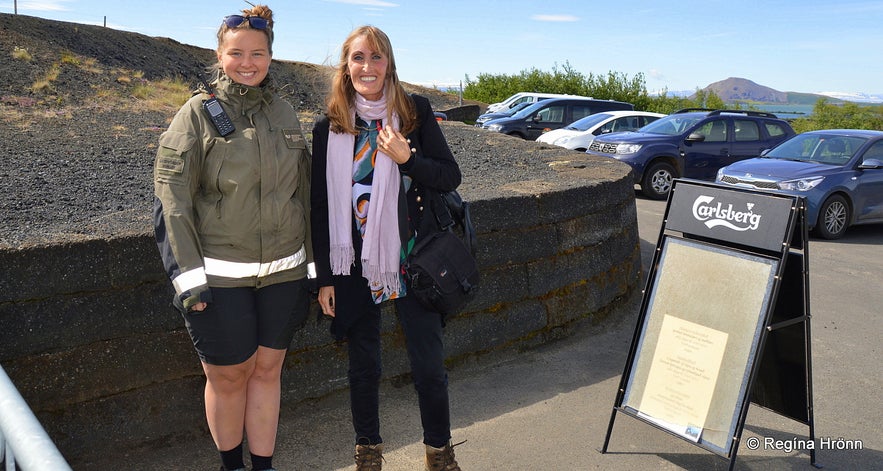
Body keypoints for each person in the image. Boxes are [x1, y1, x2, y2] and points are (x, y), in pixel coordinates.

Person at [152, 5, 312, 471]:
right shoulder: (196, 115)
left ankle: (262, 465)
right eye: (237, 52)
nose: (248, 62)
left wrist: (314, 270)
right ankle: (232, 466)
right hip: (219, 278)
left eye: (258, 53)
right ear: (220, 55)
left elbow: (304, 195)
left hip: (284, 272)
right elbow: (172, 202)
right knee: (229, 378)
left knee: (267, 372)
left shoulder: (283, 111)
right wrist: (188, 280)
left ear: (270, 57)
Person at [310, 25, 464, 471]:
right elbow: (319, 210)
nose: (367, 67)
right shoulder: (329, 128)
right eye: (359, 58)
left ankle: (440, 453)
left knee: (429, 367)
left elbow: (449, 177)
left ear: (389, 64)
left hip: (411, 258)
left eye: (376, 58)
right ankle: (368, 455)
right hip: (352, 263)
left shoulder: (414, 112)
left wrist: (408, 159)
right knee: (363, 368)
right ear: (346, 66)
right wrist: (323, 279)